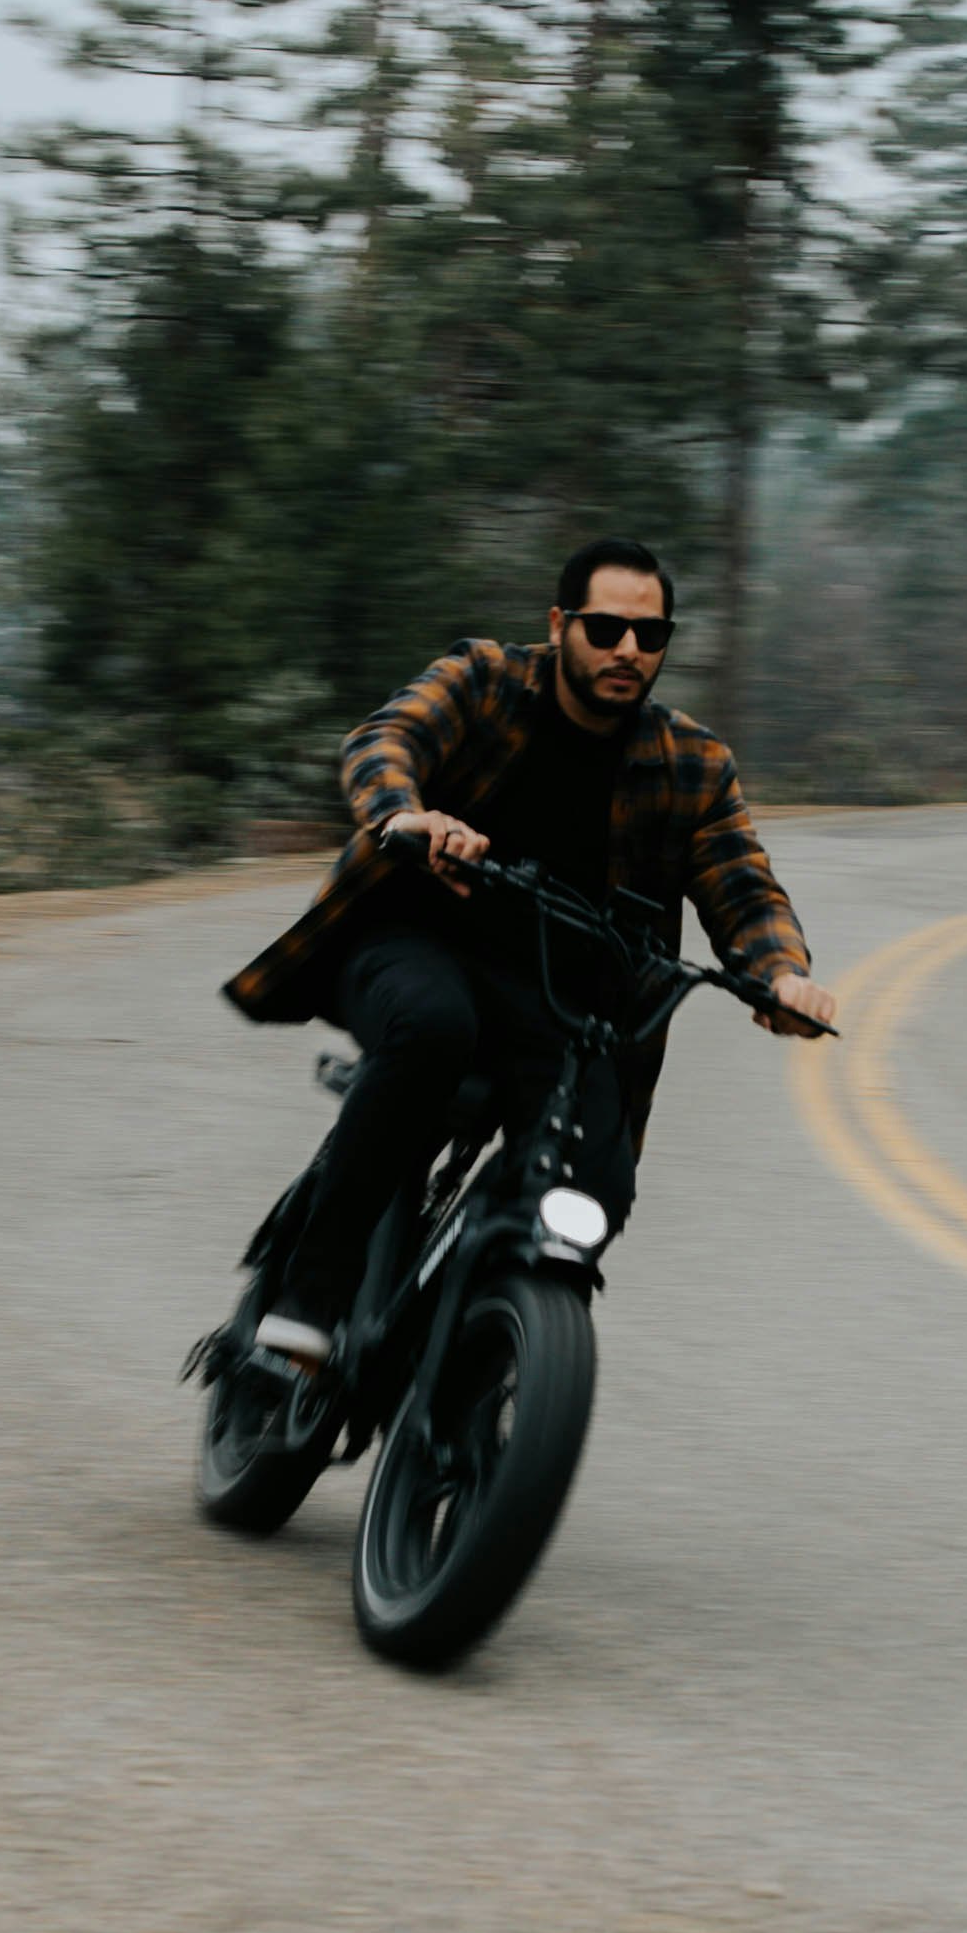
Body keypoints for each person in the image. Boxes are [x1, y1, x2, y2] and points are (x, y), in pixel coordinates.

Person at [221, 539, 839, 1372]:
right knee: (434, 1027)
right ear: (560, 624)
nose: (627, 650)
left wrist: (782, 976)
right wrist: (409, 816)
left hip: (563, 1005)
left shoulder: (692, 764)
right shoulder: (484, 683)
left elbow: (742, 887)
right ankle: (312, 1294)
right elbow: (386, 739)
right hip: (415, 943)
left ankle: (487, 1361)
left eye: (649, 636)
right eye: (606, 627)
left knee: (598, 1180)